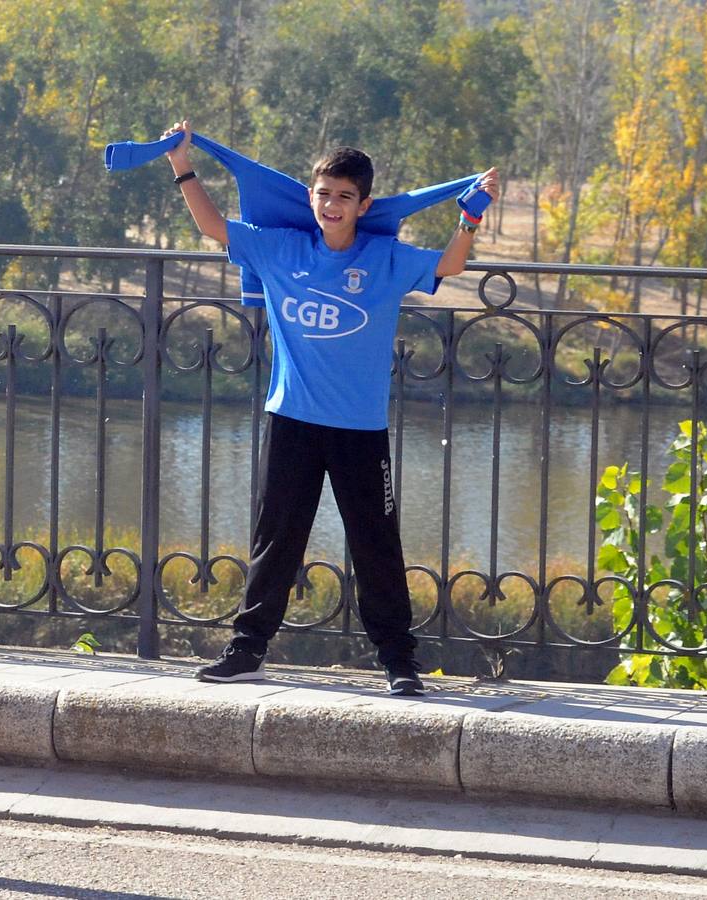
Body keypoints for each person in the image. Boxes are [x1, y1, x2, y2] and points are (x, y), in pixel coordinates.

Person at [159, 121, 499, 695]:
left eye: (344, 196)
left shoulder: (385, 257)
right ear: (310, 197)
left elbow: (451, 266)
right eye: (323, 194)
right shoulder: (281, 248)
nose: (332, 204)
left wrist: (470, 216)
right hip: (291, 419)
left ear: (364, 204)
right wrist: (180, 163)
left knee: (375, 544)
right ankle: (247, 650)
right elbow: (214, 227)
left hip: (359, 431)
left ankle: (398, 661)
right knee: (277, 538)